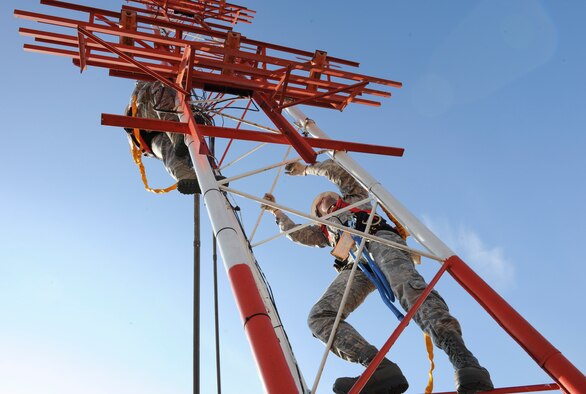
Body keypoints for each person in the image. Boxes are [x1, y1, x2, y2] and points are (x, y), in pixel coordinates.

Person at [262, 159, 494, 394]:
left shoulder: (355, 199)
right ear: (317, 216)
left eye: (328, 195)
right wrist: (277, 212)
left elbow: (337, 173)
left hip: (379, 242)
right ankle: (378, 368)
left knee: (410, 292)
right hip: (358, 266)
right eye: (320, 201)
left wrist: (306, 170)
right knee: (319, 317)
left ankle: (465, 363)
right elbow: (297, 234)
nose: (326, 198)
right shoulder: (324, 233)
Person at [124, 80, 205, 194]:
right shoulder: (145, 89)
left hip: (168, 124)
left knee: (188, 148)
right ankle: (178, 136)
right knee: (168, 147)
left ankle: (199, 176)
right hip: (151, 129)